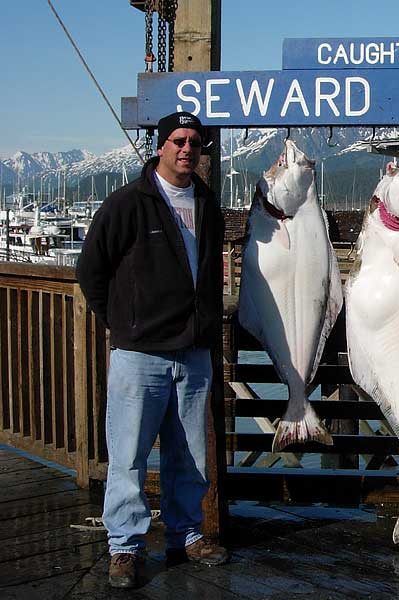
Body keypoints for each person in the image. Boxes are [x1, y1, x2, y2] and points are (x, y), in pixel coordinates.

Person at [76, 112, 228, 589]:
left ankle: (187, 535)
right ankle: (124, 546)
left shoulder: (207, 204)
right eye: (178, 141)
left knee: (190, 456)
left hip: (194, 351)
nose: (187, 149)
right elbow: (91, 271)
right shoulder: (127, 203)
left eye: (195, 142)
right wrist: (124, 323)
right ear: (160, 146)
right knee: (129, 454)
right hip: (139, 353)